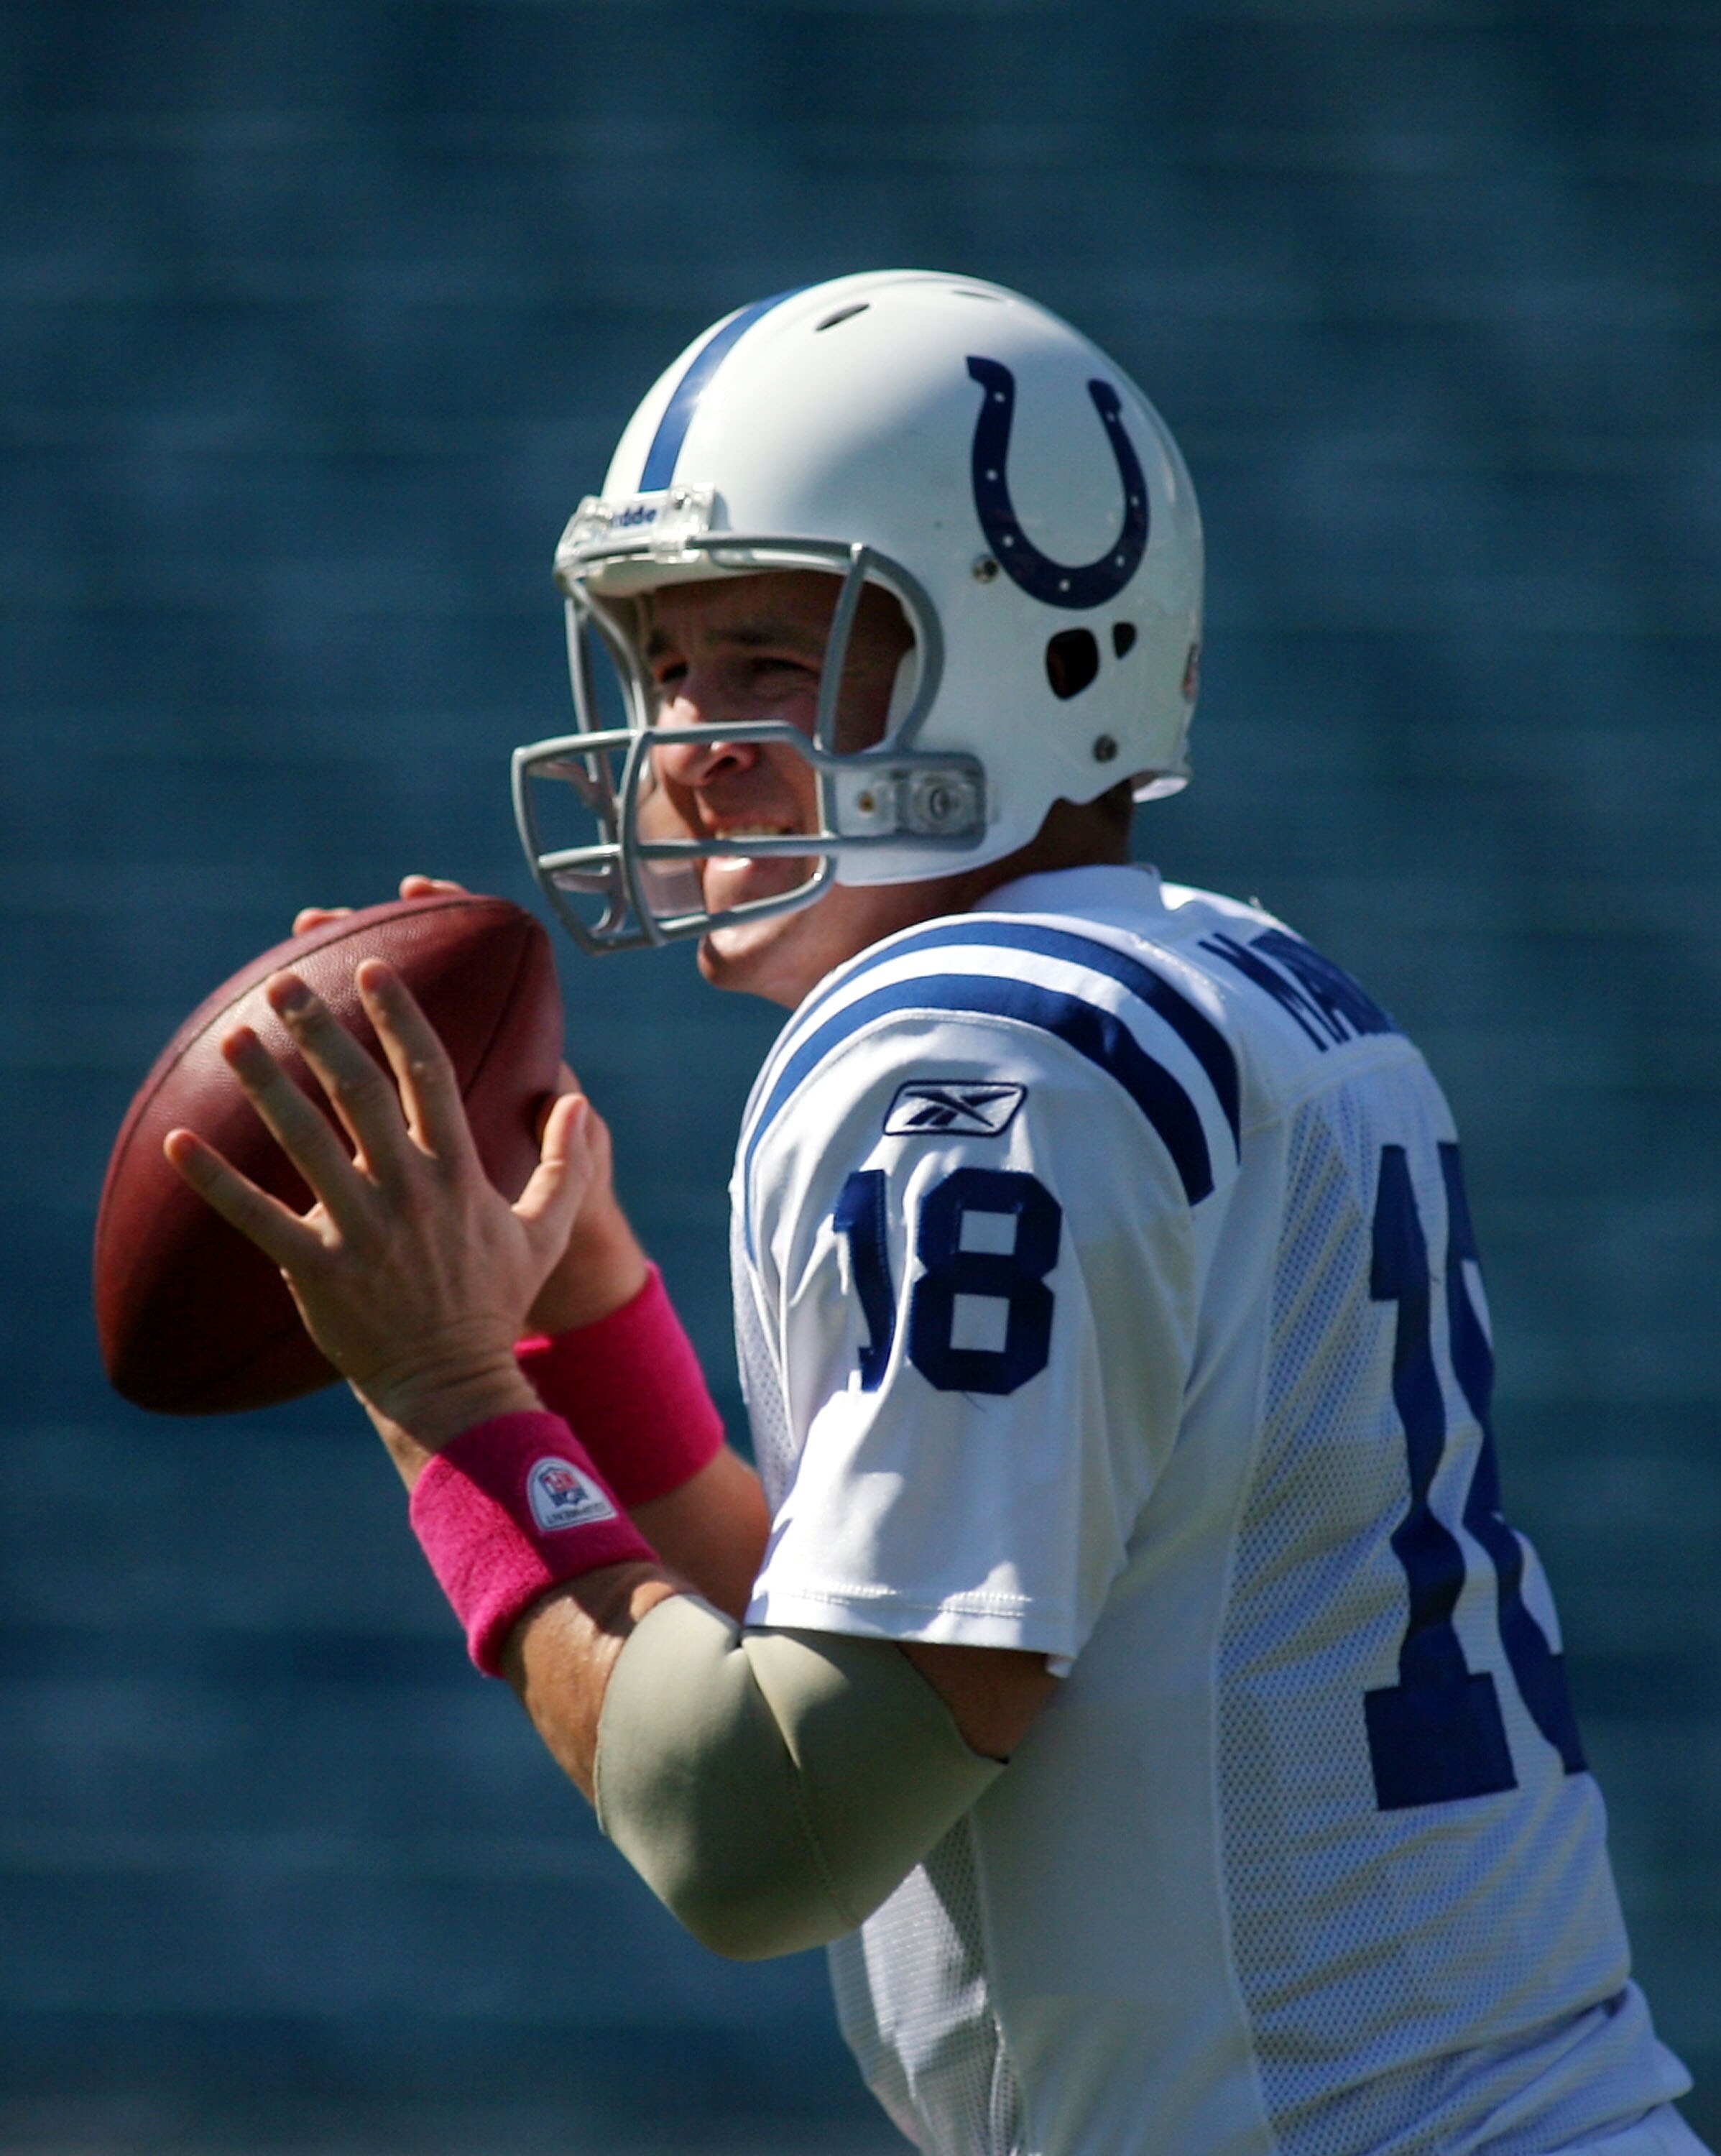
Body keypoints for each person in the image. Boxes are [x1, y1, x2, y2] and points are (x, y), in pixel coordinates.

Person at [167, 272, 1700, 2156]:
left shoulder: (965, 1068)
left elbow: (767, 1825)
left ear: (1028, 649)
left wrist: (443, 1401)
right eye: (661, 666)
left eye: (768, 658)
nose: (686, 741)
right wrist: (579, 1304)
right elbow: (876, 1636)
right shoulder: (1232, 979)